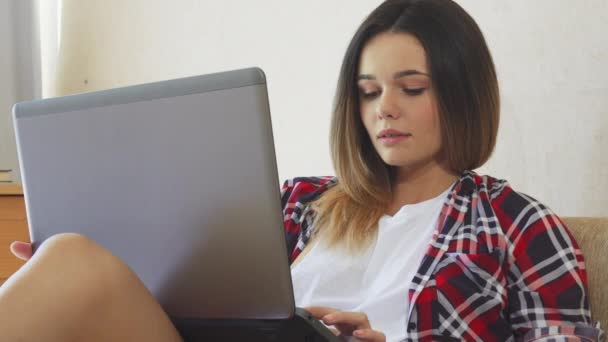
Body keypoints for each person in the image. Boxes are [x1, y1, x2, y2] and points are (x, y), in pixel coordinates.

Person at [0, 0, 602, 341]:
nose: (384, 108)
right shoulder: (301, 203)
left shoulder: (517, 225)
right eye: (368, 92)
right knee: (74, 257)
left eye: (411, 87)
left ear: (465, 94)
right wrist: (117, 270)